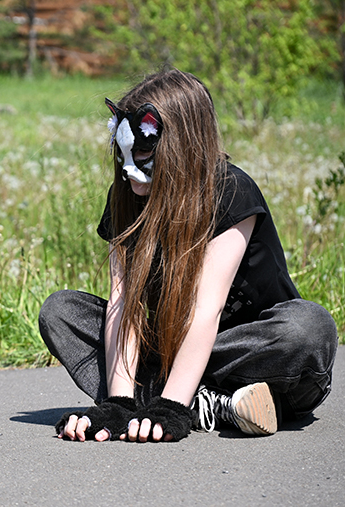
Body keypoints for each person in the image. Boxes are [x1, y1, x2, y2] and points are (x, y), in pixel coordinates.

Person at [38, 69, 338, 442]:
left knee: (308, 327)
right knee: (61, 311)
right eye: (123, 152)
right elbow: (123, 304)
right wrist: (118, 403)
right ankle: (214, 405)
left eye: (143, 153)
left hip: (260, 361)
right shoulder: (127, 196)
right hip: (171, 352)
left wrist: (171, 407)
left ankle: (181, 400)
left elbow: (205, 309)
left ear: (181, 147)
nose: (128, 167)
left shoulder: (230, 191)